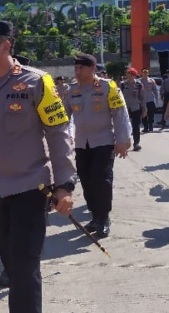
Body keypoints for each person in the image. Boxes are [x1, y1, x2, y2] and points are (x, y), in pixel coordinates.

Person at [0, 20, 77, 313]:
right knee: (3, 247)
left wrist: (65, 186)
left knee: (23, 265)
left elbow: (59, 134)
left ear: (6, 46)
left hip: (30, 187)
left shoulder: (38, 82)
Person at [63, 53, 132, 237]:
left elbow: (119, 113)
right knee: (86, 180)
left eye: (81, 68)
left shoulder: (107, 87)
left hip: (103, 141)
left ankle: (103, 218)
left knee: (101, 180)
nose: (77, 71)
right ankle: (95, 216)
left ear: (92, 69)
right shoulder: (71, 90)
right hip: (81, 143)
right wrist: (65, 139)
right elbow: (64, 118)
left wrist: (123, 139)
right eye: (76, 68)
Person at [120, 68, 146, 151]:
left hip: (136, 108)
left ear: (133, 75)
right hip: (125, 108)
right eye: (127, 73)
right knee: (124, 127)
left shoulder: (139, 84)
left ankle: (136, 143)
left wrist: (144, 109)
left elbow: (142, 98)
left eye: (129, 73)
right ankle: (123, 143)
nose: (127, 75)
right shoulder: (123, 84)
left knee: (136, 126)